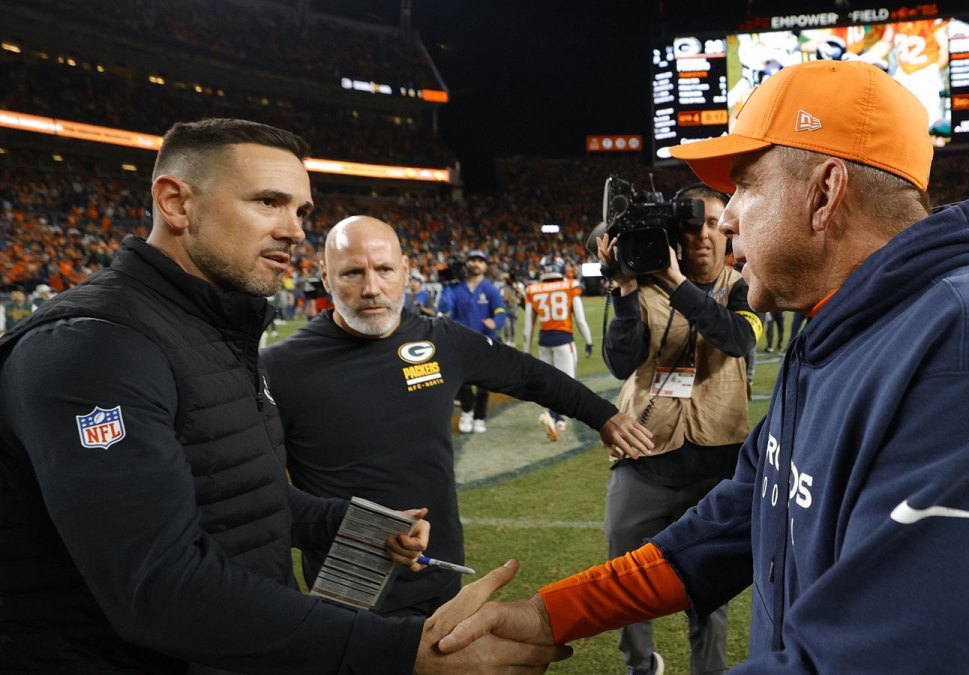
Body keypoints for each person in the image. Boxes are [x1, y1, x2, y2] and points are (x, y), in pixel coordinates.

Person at [436, 60, 969, 674]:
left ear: (826, 192)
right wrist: (552, 613)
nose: (727, 216)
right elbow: (739, 516)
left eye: (744, 186)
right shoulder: (843, 321)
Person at [0, 118, 569, 673]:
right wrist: (403, 651)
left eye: (301, 211)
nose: (296, 231)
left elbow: (241, 494)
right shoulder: (92, 347)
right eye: (268, 202)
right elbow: (158, 587)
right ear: (175, 203)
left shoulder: (212, 330)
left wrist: (358, 522)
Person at [261, 215, 654, 619]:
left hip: (441, 574)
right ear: (325, 276)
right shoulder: (279, 368)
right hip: (350, 594)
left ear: (407, 270)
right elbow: (259, 496)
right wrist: (356, 525)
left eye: (384, 270)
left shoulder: (441, 340)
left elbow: (529, 374)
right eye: (353, 273)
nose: (372, 288)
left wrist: (604, 416)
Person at [595, 184, 761, 675]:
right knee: (624, 575)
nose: (705, 235)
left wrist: (675, 284)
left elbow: (734, 339)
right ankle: (639, 665)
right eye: (694, 224)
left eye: (715, 224)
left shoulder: (742, 287)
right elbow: (620, 361)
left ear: (728, 232)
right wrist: (624, 289)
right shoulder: (642, 283)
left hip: (716, 463)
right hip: (644, 455)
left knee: (708, 590)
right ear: (676, 233)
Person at [523, 254, 594, 441]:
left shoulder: (533, 289)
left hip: (544, 341)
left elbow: (528, 327)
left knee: (549, 381)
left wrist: (526, 350)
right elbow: (580, 320)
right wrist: (588, 341)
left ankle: (558, 416)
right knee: (567, 383)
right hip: (563, 340)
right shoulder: (569, 286)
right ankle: (553, 416)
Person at [438, 248, 505, 433]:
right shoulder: (456, 287)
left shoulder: (490, 288)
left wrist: (495, 322)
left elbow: (500, 310)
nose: (476, 263)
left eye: (480, 260)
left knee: (483, 385)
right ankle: (468, 410)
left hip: (485, 341)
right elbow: (443, 309)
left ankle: (479, 417)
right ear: (468, 263)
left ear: (485, 265)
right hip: (460, 342)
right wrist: (445, 286)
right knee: (461, 382)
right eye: (473, 260)